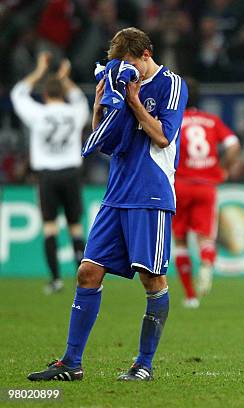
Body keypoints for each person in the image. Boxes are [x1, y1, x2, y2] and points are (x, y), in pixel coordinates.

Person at [27, 27, 188, 382]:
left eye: (130, 64)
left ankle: (143, 364)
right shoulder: (118, 83)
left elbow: (162, 136)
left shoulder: (171, 84)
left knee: (152, 278)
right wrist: (101, 105)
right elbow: (105, 143)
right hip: (116, 194)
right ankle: (71, 362)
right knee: (87, 272)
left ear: (146, 54)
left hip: (151, 193)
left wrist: (133, 100)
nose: (125, 71)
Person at [10, 52, 89, 294]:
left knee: (50, 227)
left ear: (45, 95)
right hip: (71, 174)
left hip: (47, 176)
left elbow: (18, 93)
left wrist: (39, 71)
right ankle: (84, 282)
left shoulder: (38, 113)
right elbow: (80, 99)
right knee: (76, 227)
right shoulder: (75, 111)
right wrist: (64, 78)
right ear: (63, 93)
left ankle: (55, 280)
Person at [173, 78, 240, 308]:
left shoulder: (174, 120)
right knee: (205, 237)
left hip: (180, 184)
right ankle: (207, 263)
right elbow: (233, 143)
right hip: (206, 185)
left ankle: (190, 296)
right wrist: (224, 168)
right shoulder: (212, 121)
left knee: (180, 239)